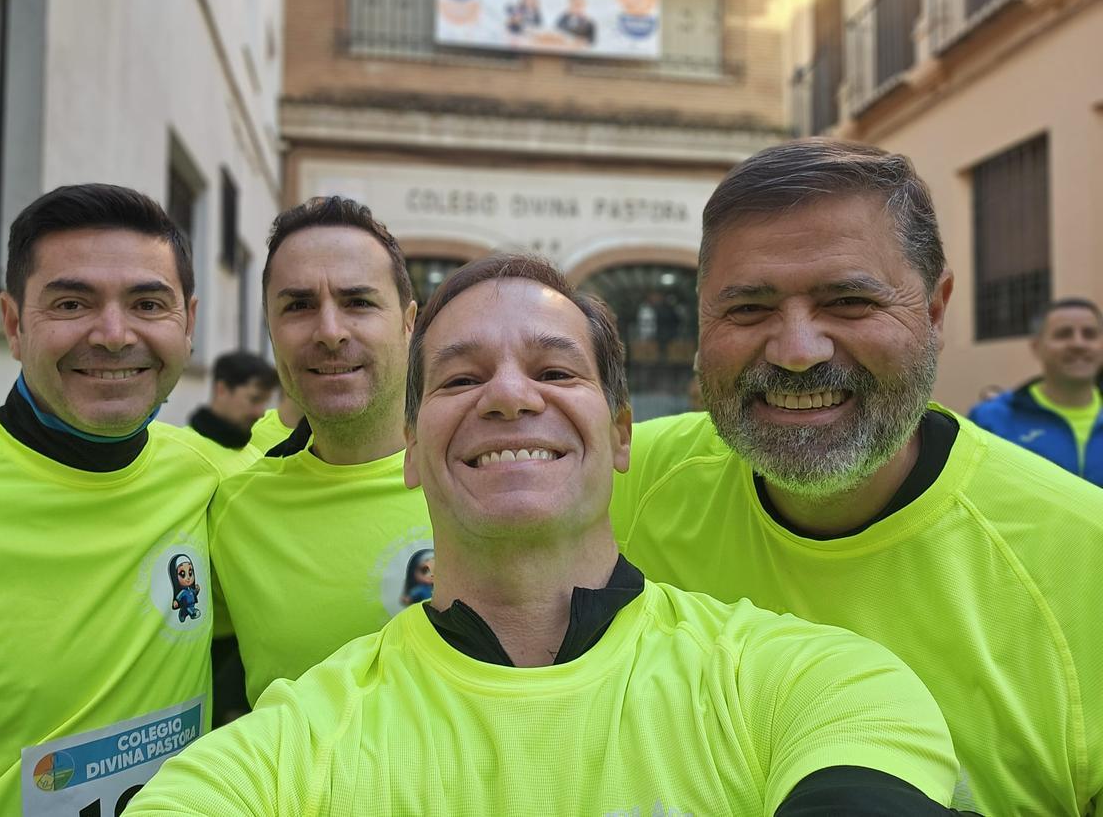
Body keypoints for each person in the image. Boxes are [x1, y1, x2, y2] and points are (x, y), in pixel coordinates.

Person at [128, 254, 974, 815]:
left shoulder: (811, 682)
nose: (508, 396)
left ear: (622, 434)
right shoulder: (287, 748)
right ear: (413, 451)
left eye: (556, 371)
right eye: (459, 376)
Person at [610, 138, 1103, 816]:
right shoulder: (612, 489)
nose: (796, 352)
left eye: (848, 301)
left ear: (935, 310)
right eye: (748, 309)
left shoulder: (1085, 561)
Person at [0, 184, 232, 817]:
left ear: (187, 324)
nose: (112, 335)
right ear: (13, 324)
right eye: (72, 302)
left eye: (147, 303)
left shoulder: (210, 476)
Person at [207, 196, 432, 707]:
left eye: (359, 301)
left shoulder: (487, 483)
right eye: (299, 306)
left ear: (409, 322)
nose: (330, 332)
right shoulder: (232, 510)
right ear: (270, 329)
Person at [968, 297, 1103, 485]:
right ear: (1036, 347)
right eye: (1063, 334)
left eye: (1089, 334)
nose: (1078, 344)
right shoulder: (992, 420)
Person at [184, 350, 278, 459]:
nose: (260, 413)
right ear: (222, 389)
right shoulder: (181, 450)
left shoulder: (258, 458)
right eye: (254, 399)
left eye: (265, 402)